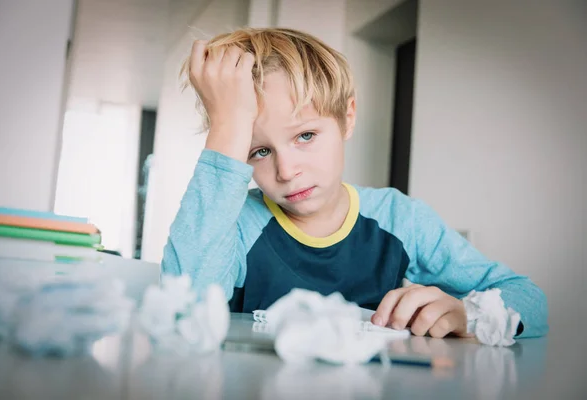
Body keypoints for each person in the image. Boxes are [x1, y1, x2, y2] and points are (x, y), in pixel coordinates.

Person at [161, 28, 548, 340]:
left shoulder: (401, 219)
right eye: (258, 151)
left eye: (306, 136)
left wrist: (471, 315)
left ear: (347, 118)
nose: (287, 170)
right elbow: (183, 310)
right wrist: (228, 127)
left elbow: (531, 301)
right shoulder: (237, 224)